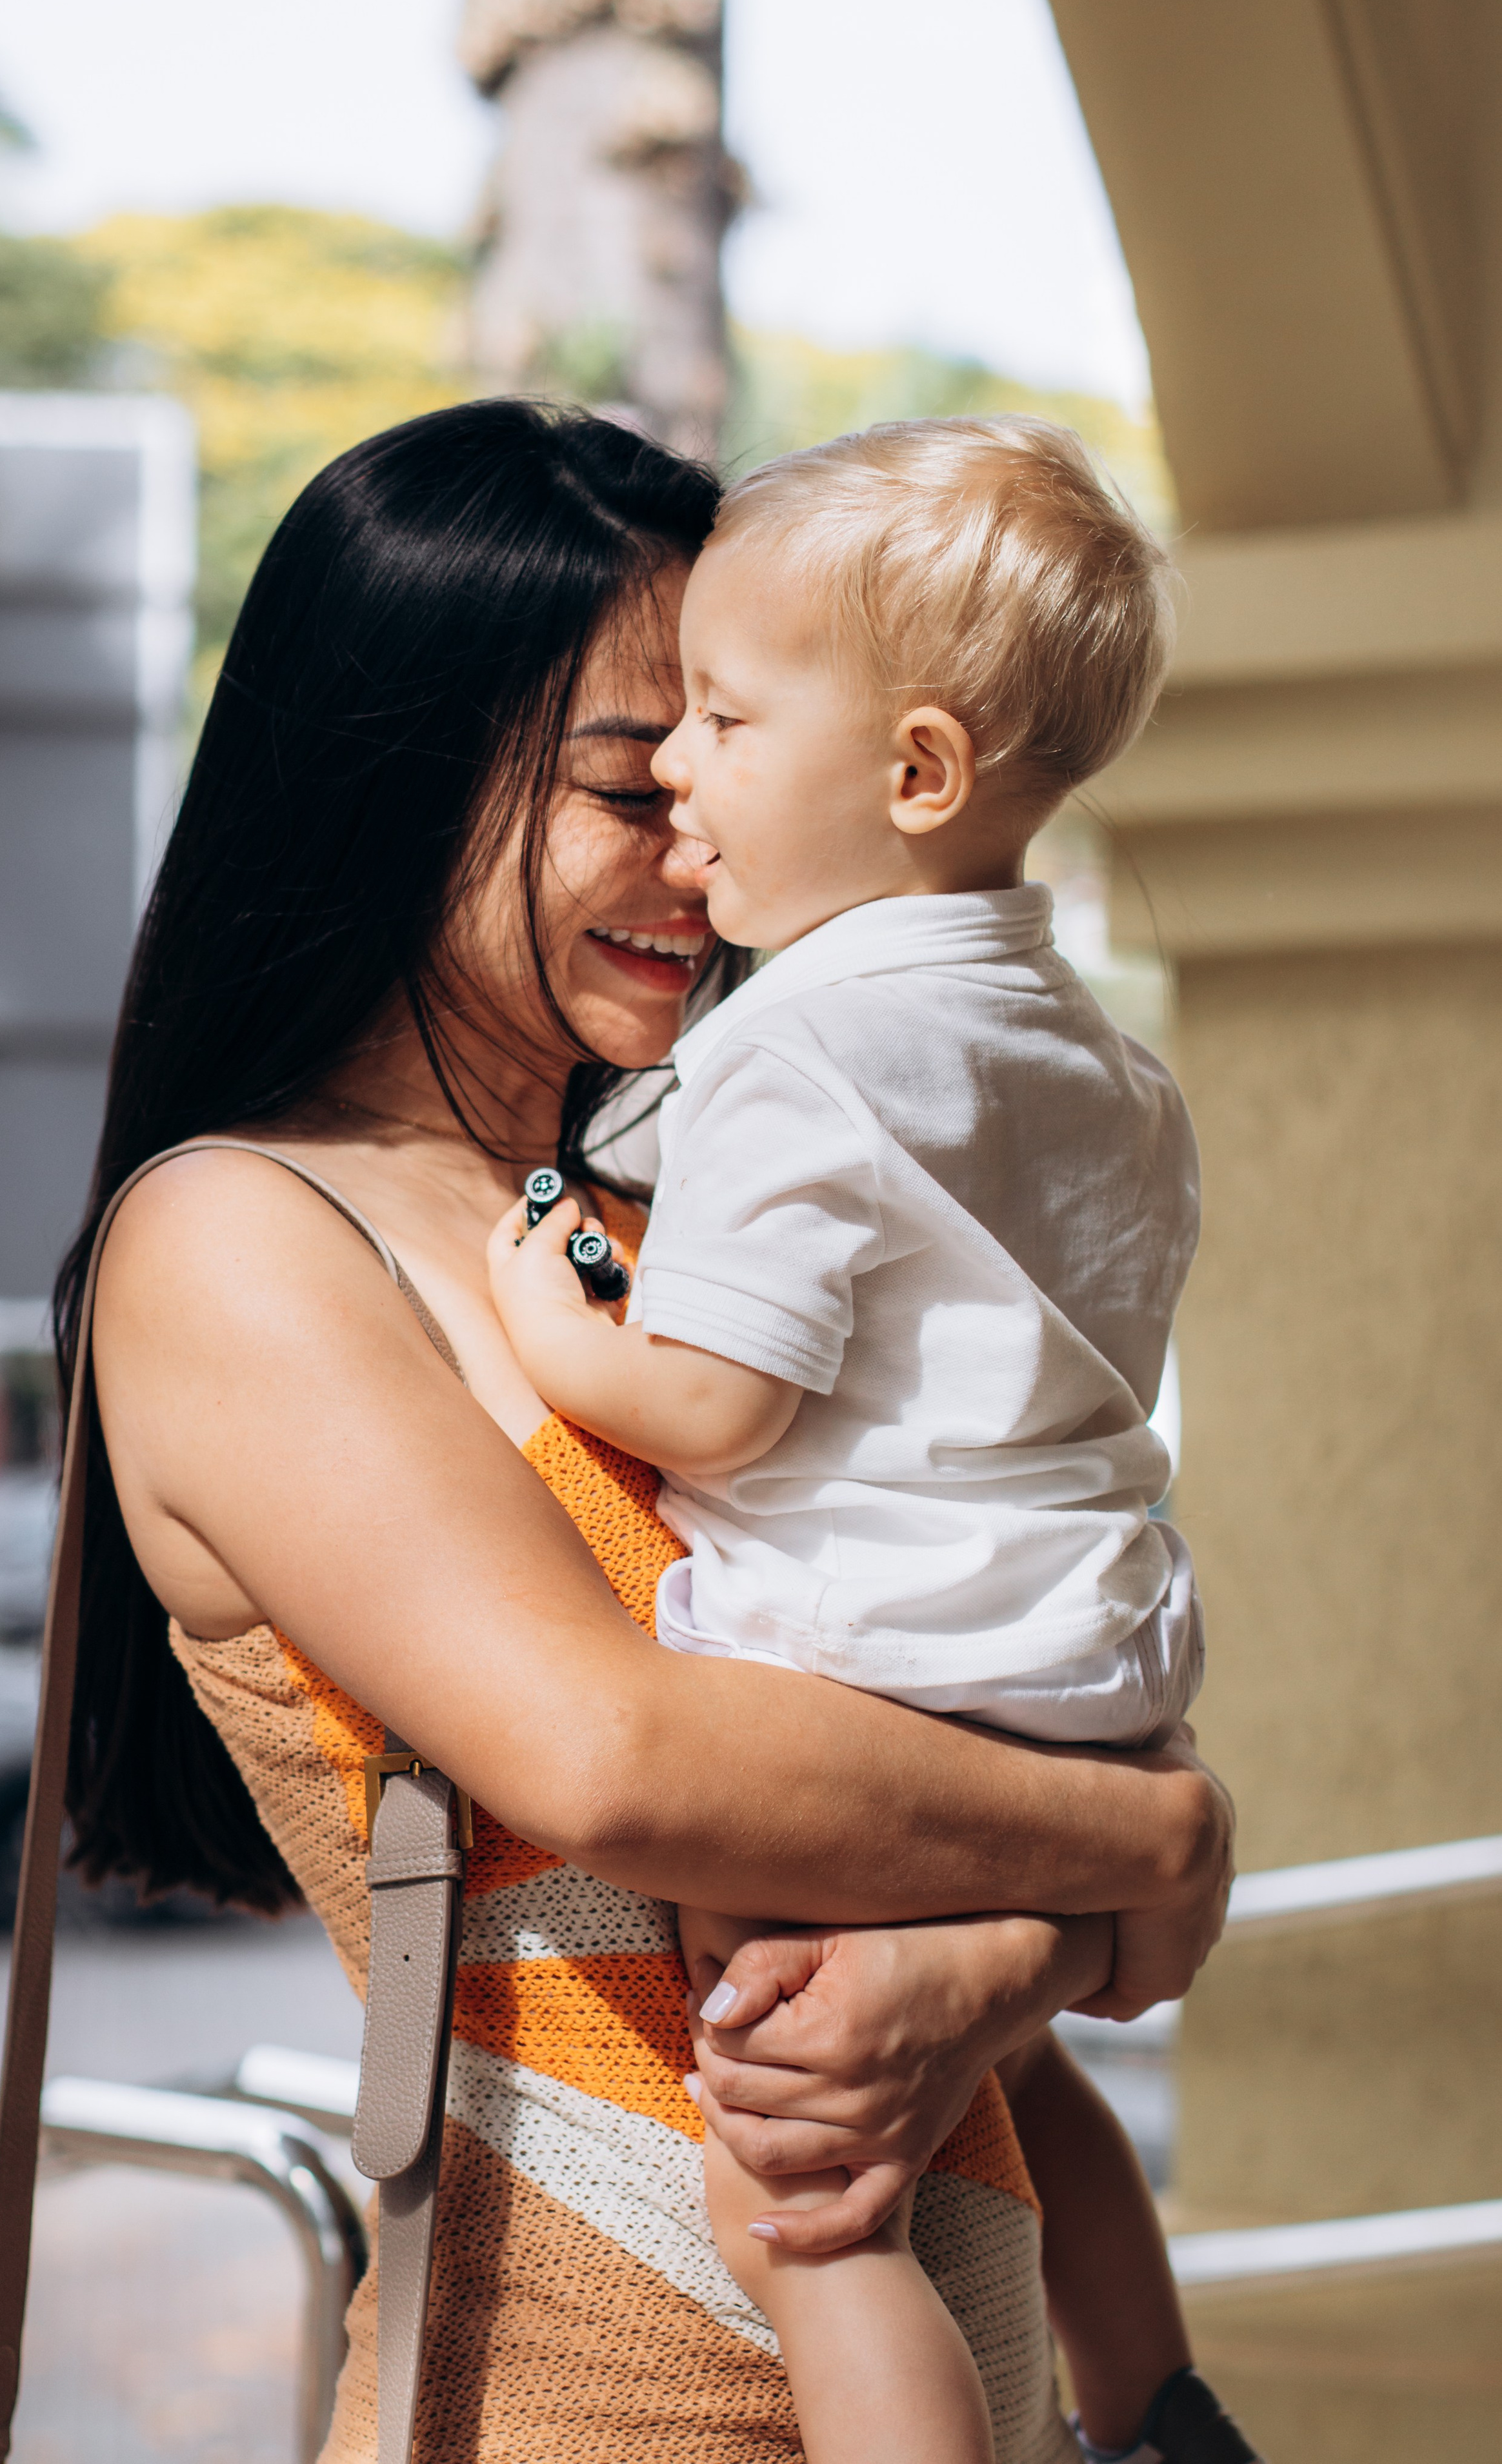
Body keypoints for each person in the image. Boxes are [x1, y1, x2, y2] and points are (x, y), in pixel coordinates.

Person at [66, 397, 1235, 2464]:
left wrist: (972, 1969)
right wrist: (1153, 1838)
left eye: (729, 741)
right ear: (398, 780)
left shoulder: (704, 1201)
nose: (699, 839)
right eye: (636, 774)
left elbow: (954, 1746)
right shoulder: (243, 1236)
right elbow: (617, 1753)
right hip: (570, 2414)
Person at [487, 416, 1256, 2464]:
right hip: (1088, 1673)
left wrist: (546, 1305)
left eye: (725, 718)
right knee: (1032, 2087)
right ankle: (1164, 2412)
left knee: (811, 2209)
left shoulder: (794, 1047)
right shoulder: (1110, 1066)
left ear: (914, 773)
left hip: (870, 1672)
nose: (678, 769)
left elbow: (717, 1401)